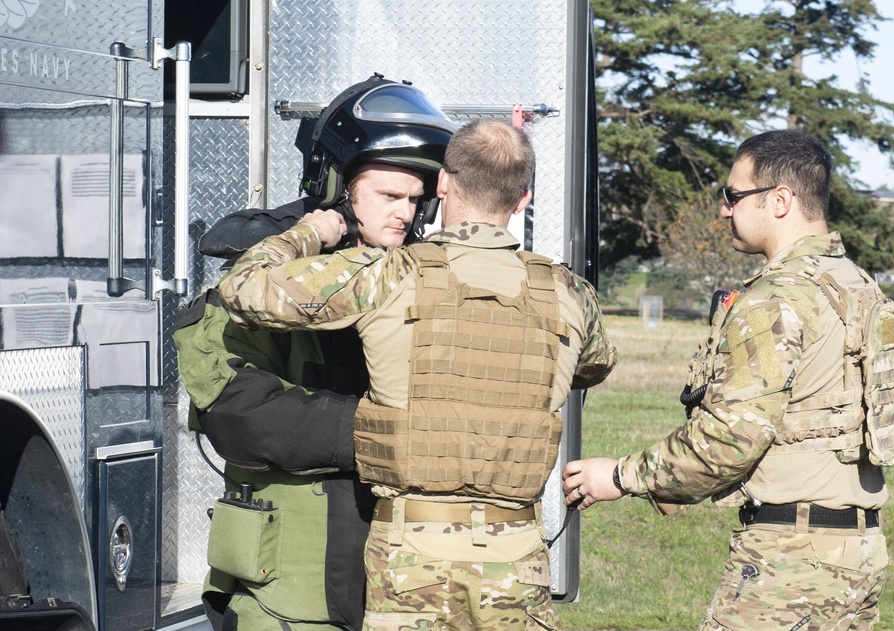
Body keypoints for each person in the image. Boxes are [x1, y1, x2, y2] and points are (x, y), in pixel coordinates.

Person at [217, 118, 617, 630]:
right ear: (523, 200)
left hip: (410, 558)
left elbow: (245, 290)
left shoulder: (388, 272)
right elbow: (594, 365)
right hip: (518, 555)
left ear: (443, 185)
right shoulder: (571, 293)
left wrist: (310, 233)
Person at [562, 129, 894, 630]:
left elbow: (728, 441)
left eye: (733, 196)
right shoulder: (859, 286)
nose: (725, 210)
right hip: (858, 551)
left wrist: (618, 476)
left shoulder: (776, 299)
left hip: (790, 558)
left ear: (780, 200)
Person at [174, 74, 453, 631]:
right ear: (339, 187)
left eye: (415, 199)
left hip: (405, 567)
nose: (405, 212)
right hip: (292, 569)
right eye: (390, 195)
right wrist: (384, 433)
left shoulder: (425, 275)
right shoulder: (265, 275)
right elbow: (237, 412)